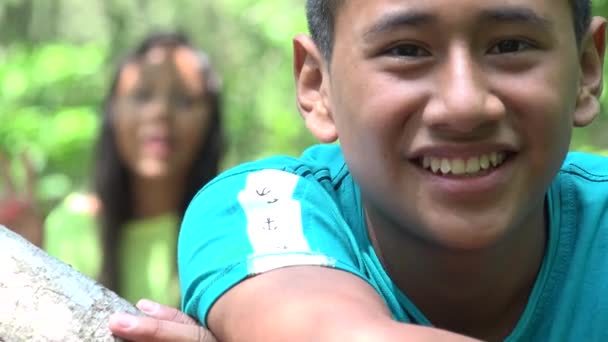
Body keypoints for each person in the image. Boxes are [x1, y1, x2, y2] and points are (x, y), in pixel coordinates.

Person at [111, 0, 608, 341]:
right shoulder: (260, 206)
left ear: (587, 70)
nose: (464, 105)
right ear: (316, 85)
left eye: (510, 45)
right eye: (407, 50)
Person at [7, 32, 225, 307]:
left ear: (211, 121)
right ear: (112, 112)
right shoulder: (73, 222)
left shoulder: (228, 230)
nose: (160, 112)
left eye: (184, 100)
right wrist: (28, 262)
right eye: (142, 96)